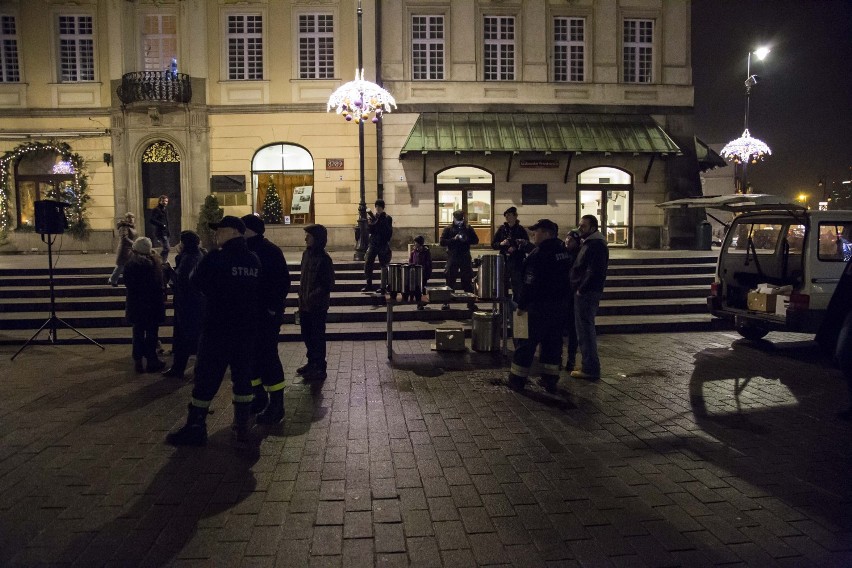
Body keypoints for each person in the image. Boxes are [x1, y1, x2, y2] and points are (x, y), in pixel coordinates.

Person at [166, 216, 261, 446]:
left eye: (219, 230)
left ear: (231, 232)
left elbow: (194, 281)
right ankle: (242, 426)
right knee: (243, 379)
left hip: (217, 328)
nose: (216, 234)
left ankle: (196, 426)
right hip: (245, 329)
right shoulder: (253, 260)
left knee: (206, 378)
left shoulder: (216, 258)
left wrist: (216, 294)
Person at [507, 219, 572, 394]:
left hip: (537, 307)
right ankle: (550, 379)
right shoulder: (563, 251)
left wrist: (521, 306)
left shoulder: (538, 255)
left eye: (536, 232)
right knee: (552, 344)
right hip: (559, 307)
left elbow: (530, 283)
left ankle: (517, 379)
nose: (533, 235)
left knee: (525, 343)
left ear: (546, 233)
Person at [242, 214, 291, 425]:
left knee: (268, 358)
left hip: (265, 316)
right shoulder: (246, 250)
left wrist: (272, 309)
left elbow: (282, 283)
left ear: (249, 230)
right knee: (252, 358)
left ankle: (277, 404)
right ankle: (259, 396)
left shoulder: (269, 251)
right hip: (250, 316)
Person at [162, 230, 206, 379]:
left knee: (183, 337)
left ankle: (179, 368)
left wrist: (168, 270)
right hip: (195, 301)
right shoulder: (198, 255)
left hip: (187, 303)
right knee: (192, 336)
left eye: (181, 241)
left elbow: (181, 282)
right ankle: (193, 368)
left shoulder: (189, 259)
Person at [570, 215, 609, 380]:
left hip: (587, 292)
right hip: (586, 291)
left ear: (593, 228)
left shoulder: (596, 245)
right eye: (580, 225)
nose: (580, 229)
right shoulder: (590, 243)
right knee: (584, 329)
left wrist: (581, 288)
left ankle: (590, 368)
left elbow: (594, 271)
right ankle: (588, 364)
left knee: (585, 330)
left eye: (584, 226)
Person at [297, 224, 335, 382]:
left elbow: (328, 284)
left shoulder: (324, 259)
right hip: (304, 304)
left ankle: (319, 366)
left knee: (317, 336)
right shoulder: (306, 254)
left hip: (317, 306)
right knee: (307, 335)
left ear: (317, 239)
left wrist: (312, 296)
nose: (306, 238)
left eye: (309, 236)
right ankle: (312, 362)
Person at [123, 237, 166, 373]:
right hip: (152, 305)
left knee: (138, 333)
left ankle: (138, 361)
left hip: (137, 305)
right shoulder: (155, 264)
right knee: (152, 333)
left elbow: (128, 283)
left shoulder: (130, 265)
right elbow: (159, 284)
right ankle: (152, 360)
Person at [491, 206, 529, 299]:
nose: (507, 217)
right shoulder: (502, 229)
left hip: (516, 260)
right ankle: (503, 303)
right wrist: (501, 243)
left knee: (517, 284)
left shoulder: (520, 229)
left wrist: (516, 247)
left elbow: (527, 244)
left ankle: (516, 304)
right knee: (503, 282)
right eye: (506, 215)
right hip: (504, 259)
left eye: (509, 215)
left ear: (515, 216)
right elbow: (493, 244)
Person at [440, 210, 479, 295]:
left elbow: (476, 240)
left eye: (461, 219)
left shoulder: (468, 228)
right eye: (457, 219)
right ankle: (447, 302)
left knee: (467, 280)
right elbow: (442, 242)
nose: (459, 222)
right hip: (452, 256)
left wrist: (466, 239)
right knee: (450, 280)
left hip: (465, 256)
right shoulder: (448, 228)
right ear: (453, 218)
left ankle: (470, 302)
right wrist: (453, 239)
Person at [562, 230, 582, 372]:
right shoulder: (562, 254)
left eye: (570, 241)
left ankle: (571, 359)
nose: (567, 243)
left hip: (571, 295)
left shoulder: (579, 256)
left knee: (572, 330)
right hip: (562, 295)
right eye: (567, 240)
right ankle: (559, 359)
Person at [363, 199, 393, 292]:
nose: (377, 208)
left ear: (382, 208)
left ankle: (383, 286)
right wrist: (371, 224)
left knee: (384, 265)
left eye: (379, 207)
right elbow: (370, 230)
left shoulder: (387, 218)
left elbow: (388, 231)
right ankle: (369, 284)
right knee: (368, 263)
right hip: (373, 243)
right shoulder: (373, 217)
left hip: (383, 244)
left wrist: (381, 220)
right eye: (376, 207)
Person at [108, 212, 138, 287]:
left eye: (132, 217)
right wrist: (134, 243)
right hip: (124, 249)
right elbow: (124, 238)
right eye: (129, 217)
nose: (131, 219)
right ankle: (113, 280)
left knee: (128, 266)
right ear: (126, 219)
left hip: (130, 249)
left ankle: (115, 279)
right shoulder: (124, 227)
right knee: (120, 266)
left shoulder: (132, 226)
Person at [406, 235, 433, 309]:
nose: (414, 244)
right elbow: (410, 261)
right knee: (417, 289)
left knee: (422, 288)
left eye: (416, 242)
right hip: (415, 273)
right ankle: (419, 303)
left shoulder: (426, 252)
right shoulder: (413, 252)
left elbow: (429, 263)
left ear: (420, 243)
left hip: (423, 273)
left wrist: (427, 271)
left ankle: (422, 302)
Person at [150, 194, 171, 263]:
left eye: (166, 201)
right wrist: (162, 225)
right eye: (163, 201)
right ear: (159, 201)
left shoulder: (165, 210)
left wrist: (168, 231)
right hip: (161, 232)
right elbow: (152, 220)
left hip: (166, 232)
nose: (165, 203)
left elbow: (166, 221)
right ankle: (159, 261)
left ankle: (163, 262)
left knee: (166, 248)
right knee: (167, 248)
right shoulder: (156, 209)